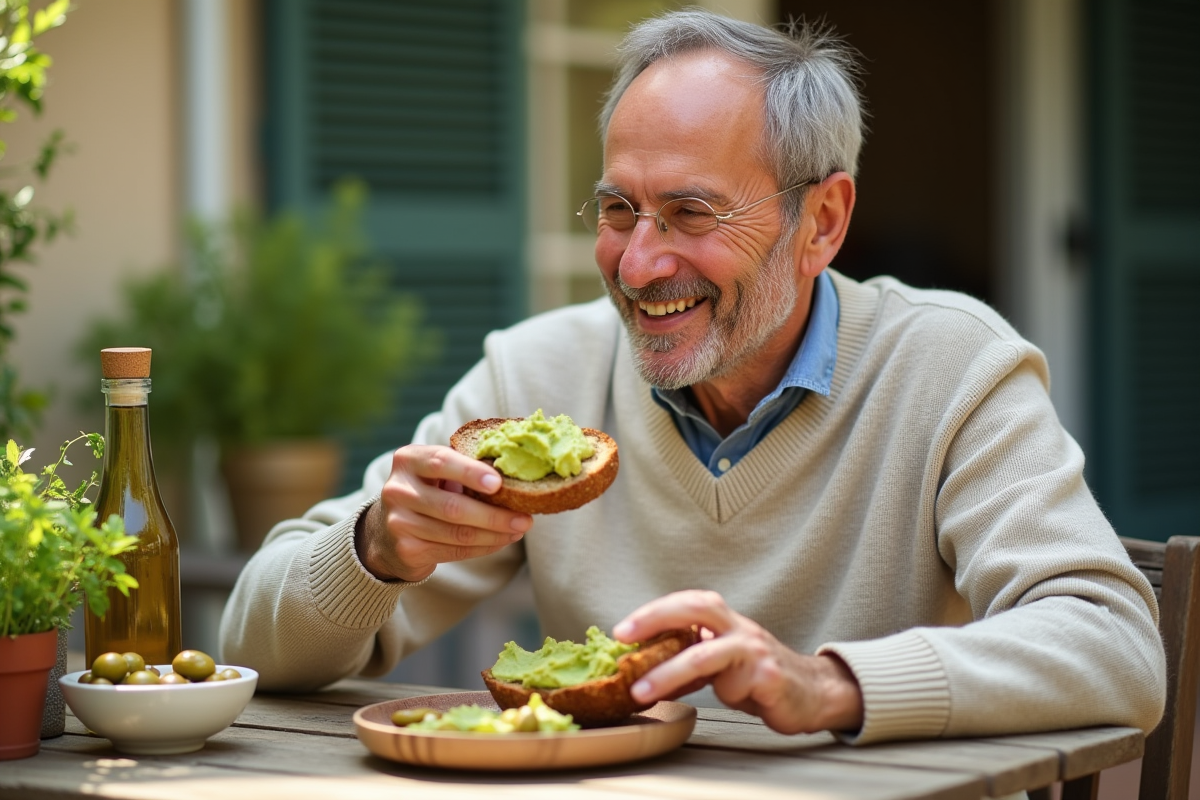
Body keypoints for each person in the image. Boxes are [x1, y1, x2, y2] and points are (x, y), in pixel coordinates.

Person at [221, 10, 1164, 744]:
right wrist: (375, 549)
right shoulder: (538, 373)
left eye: (691, 213)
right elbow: (247, 650)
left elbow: (1116, 647)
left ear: (823, 222)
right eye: (619, 208)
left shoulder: (952, 368)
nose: (637, 265)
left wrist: (828, 684)